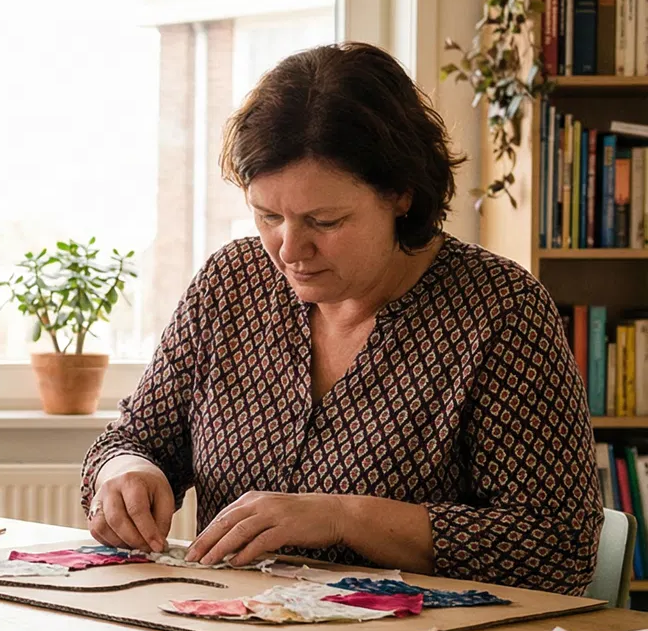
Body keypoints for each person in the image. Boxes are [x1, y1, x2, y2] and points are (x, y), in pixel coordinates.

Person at [82, 42, 599, 594]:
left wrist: (342, 517)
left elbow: (559, 547)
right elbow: (133, 440)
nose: (288, 249)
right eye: (268, 215)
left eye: (324, 221)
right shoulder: (230, 283)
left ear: (401, 194)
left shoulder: (500, 310)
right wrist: (125, 474)